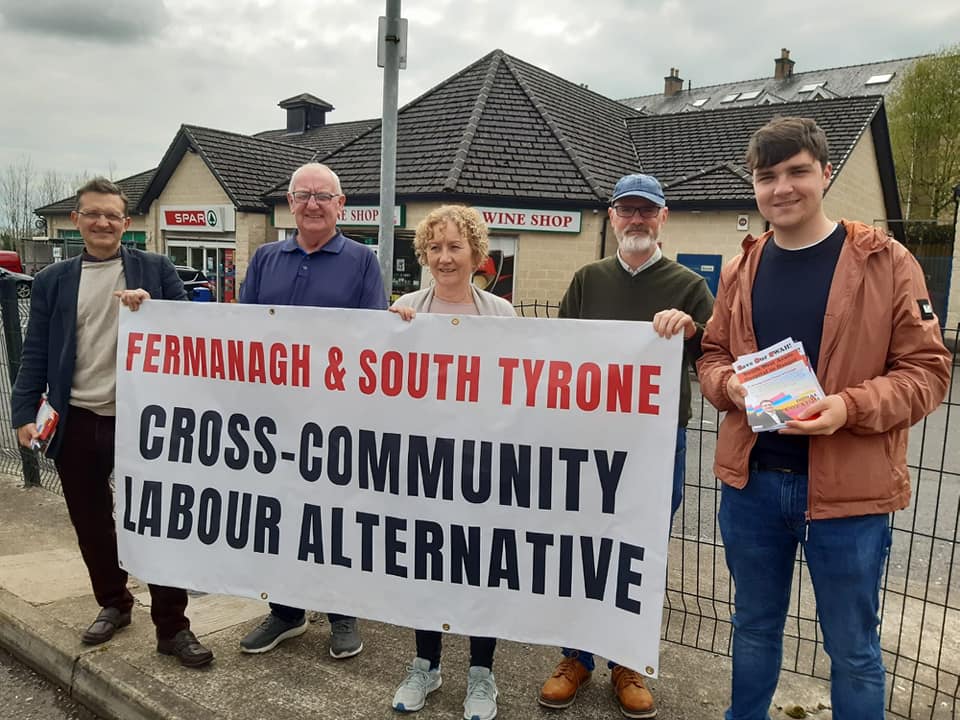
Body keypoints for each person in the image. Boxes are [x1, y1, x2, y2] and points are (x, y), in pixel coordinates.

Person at [696, 117, 951, 719]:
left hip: (850, 496)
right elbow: (712, 354)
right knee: (753, 628)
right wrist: (729, 385)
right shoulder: (741, 268)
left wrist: (848, 408)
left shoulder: (887, 261)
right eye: (767, 177)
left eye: (797, 172)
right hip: (753, 484)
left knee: (853, 649)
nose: (782, 188)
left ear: (825, 174)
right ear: (755, 188)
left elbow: (928, 372)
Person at [11, 177, 213, 668]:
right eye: (92, 214)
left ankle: (173, 627)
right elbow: (36, 350)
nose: (102, 222)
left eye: (112, 215)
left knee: (158, 524)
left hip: (142, 422)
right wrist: (21, 414)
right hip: (77, 418)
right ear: (77, 220)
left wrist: (156, 310)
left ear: (127, 224)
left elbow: (189, 335)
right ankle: (114, 603)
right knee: (91, 522)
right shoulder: (53, 280)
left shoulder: (156, 268)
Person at [537, 173, 714, 719]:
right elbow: (559, 353)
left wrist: (692, 331)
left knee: (640, 550)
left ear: (663, 218)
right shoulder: (588, 279)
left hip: (658, 442)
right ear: (612, 217)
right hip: (591, 442)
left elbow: (717, 355)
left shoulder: (689, 286)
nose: (636, 220)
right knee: (582, 544)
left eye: (647, 211)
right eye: (626, 211)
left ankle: (628, 660)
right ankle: (576, 657)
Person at [238, 162, 387, 657]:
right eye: (303, 195)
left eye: (324, 196)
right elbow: (242, 332)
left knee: (335, 517)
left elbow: (372, 341)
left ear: (341, 205)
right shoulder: (263, 258)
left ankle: (342, 613)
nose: (313, 204)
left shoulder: (363, 260)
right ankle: (285, 611)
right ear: (289, 202)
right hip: (275, 419)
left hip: (334, 419)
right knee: (278, 513)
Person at [388, 205, 514, 720]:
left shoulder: (501, 314)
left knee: (480, 567)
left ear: (475, 254)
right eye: (434, 247)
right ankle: (426, 664)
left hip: (482, 464)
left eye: (454, 246)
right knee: (428, 566)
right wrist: (392, 332)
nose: (444, 257)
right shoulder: (406, 308)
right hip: (424, 465)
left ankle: (481, 674)